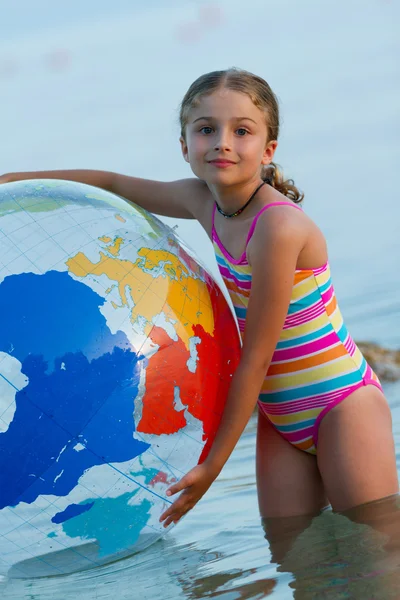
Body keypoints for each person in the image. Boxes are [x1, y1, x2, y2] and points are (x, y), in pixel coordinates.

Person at [1, 68, 398, 530]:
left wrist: (212, 467)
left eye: (241, 131)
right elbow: (111, 182)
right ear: (184, 146)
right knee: (292, 552)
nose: (222, 142)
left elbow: (255, 358)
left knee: (377, 551)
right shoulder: (204, 202)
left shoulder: (277, 227)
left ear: (268, 150)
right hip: (280, 417)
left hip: (340, 405)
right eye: (206, 129)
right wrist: (13, 178)